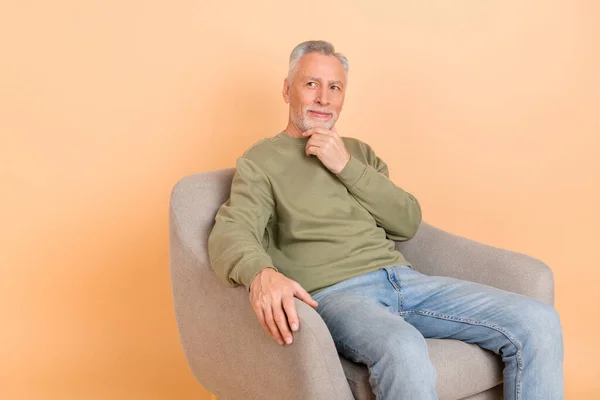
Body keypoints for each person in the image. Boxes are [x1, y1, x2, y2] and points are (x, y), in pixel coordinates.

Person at [207, 40, 564, 400]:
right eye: (311, 84)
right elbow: (231, 232)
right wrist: (261, 274)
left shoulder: (357, 153)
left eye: (335, 87)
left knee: (539, 322)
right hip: (336, 295)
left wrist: (345, 166)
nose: (323, 98)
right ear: (287, 90)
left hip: (405, 281)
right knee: (403, 347)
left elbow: (406, 221)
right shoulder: (262, 160)